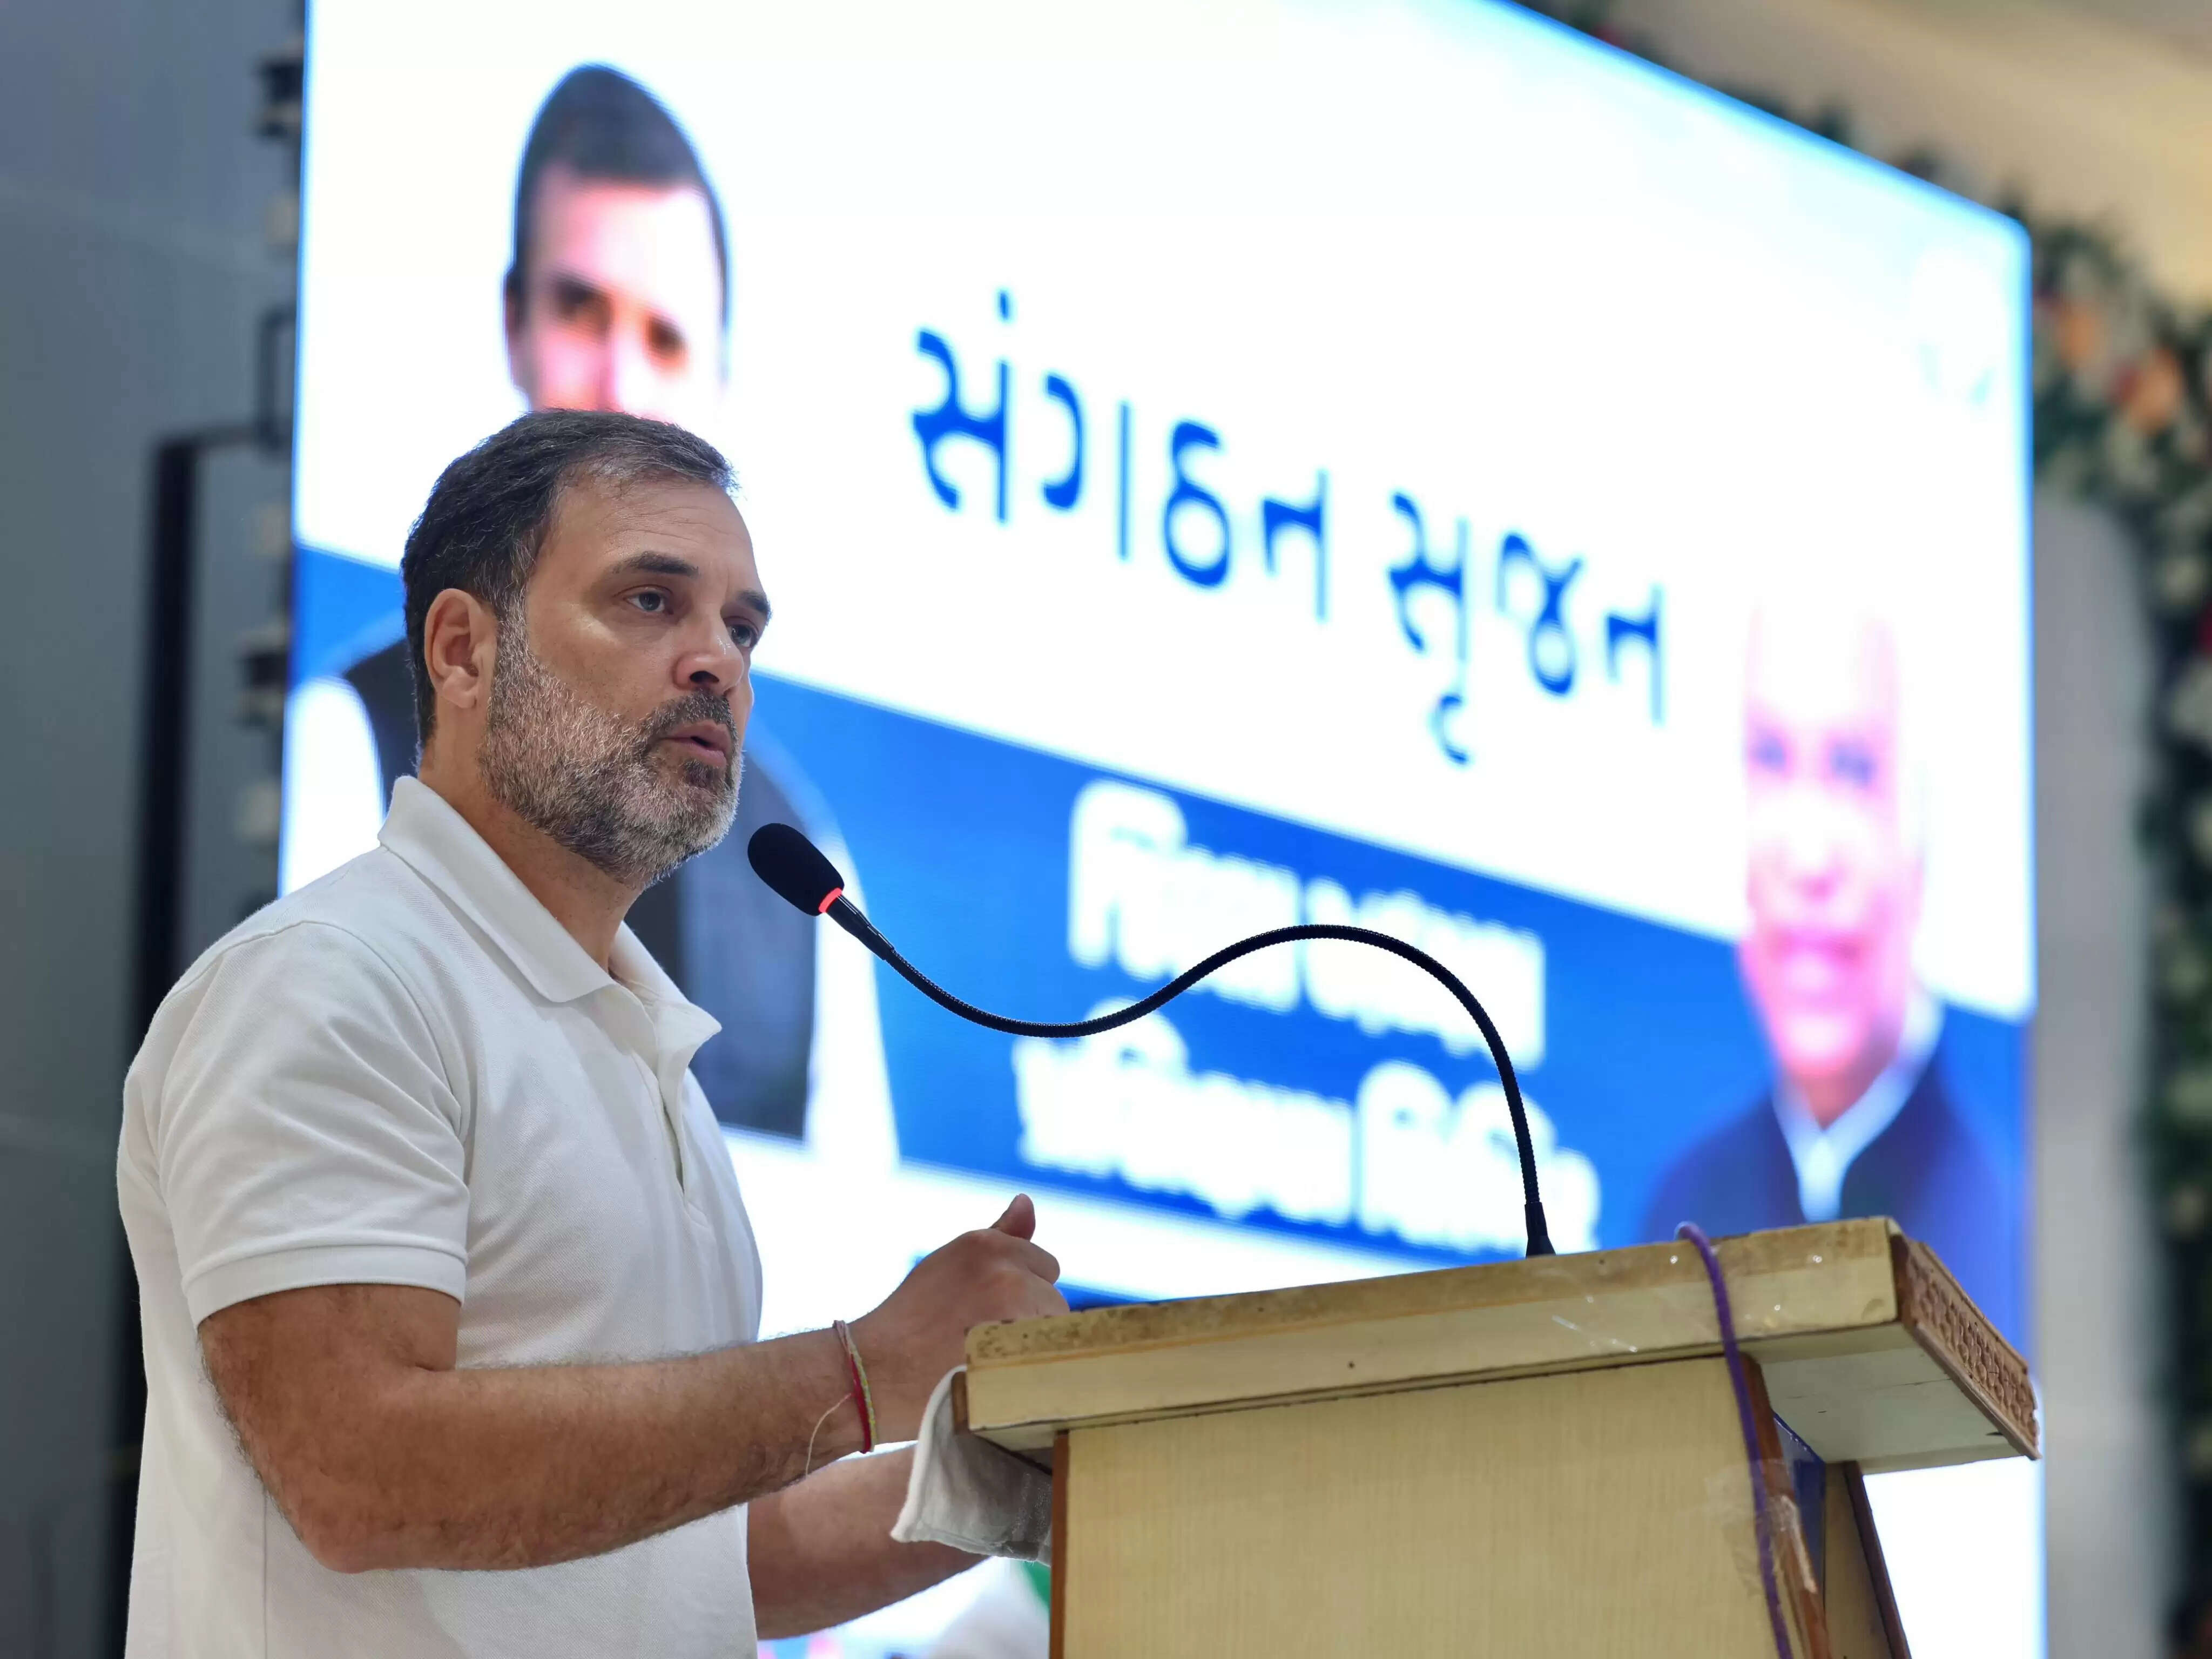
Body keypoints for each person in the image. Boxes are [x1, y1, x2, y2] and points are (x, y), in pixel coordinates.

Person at [117, 410, 1066, 1654]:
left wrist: (1019, 1472)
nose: (716, 662)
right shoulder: (333, 980)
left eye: (741, 628)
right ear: (463, 651)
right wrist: (854, 1375)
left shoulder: (648, 1059)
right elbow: (357, 1476)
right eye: (649, 601)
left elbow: (693, 1564)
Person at [326, 64, 873, 1147]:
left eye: (741, 629)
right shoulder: (338, 747)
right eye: (647, 599)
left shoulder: (807, 872)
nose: (621, 381)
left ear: (718, 376)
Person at [1640, 601, 2015, 1338]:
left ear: (1923, 839)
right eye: (1770, 760)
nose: (1809, 860)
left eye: (1853, 770)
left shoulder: (2010, 1229)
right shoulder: (1677, 1212)